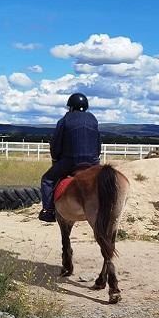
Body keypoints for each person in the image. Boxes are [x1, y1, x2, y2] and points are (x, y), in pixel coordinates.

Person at [38, 93, 101, 222]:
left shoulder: (65, 120)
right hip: (93, 162)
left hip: (72, 161)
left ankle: (48, 211)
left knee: (47, 180)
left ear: (71, 107)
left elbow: (56, 144)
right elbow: (98, 143)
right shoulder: (93, 120)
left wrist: (56, 159)